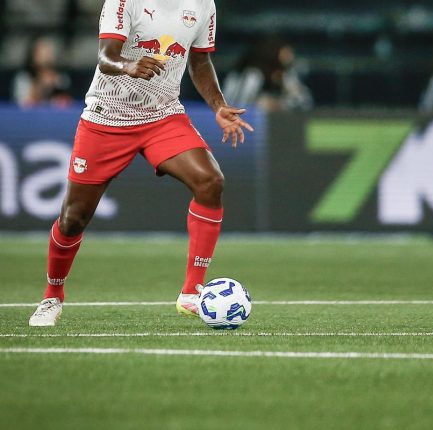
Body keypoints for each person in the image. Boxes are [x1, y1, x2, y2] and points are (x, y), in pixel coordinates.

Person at [28, 0, 254, 327]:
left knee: (210, 180)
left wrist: (218, 105)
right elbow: (105, 57)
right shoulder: (124, 2)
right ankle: (52, 296)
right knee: (73, 219)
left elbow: (200, 60)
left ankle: (191, 292)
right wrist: (128, 65)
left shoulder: (204, 4)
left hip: (162, 115)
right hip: (106, 118)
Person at [223, 39, 313, 111]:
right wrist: (259, 104)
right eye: (286, 53)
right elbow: (236, 106)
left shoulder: (286, 76)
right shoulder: (251, 75)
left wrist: (278, 103)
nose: (290, 56)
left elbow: (305, 103)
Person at [12, 36, 73, 107]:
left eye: (48, 52)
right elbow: (22, 106)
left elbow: (68, 104)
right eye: (41, 52)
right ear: (33, 55)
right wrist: (40, 86)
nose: (46, 55)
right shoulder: (23, 78)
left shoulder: (61, 77)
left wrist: (55, 86)